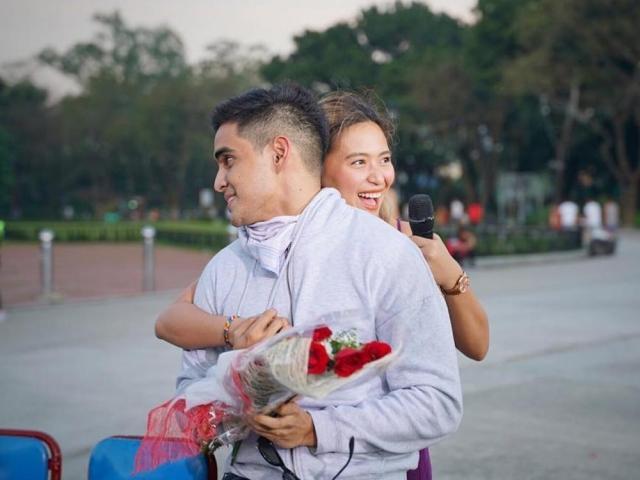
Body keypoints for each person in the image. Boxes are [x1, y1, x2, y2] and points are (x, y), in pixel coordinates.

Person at [157, 90, 489, 479]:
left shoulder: (390, 251)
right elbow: (175, 338)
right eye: (358, 161)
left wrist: (317, 429)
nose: (378, 176)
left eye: (383, 159)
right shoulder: (228, 266)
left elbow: (441, 395)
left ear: (281, 154)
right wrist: (236, 389)